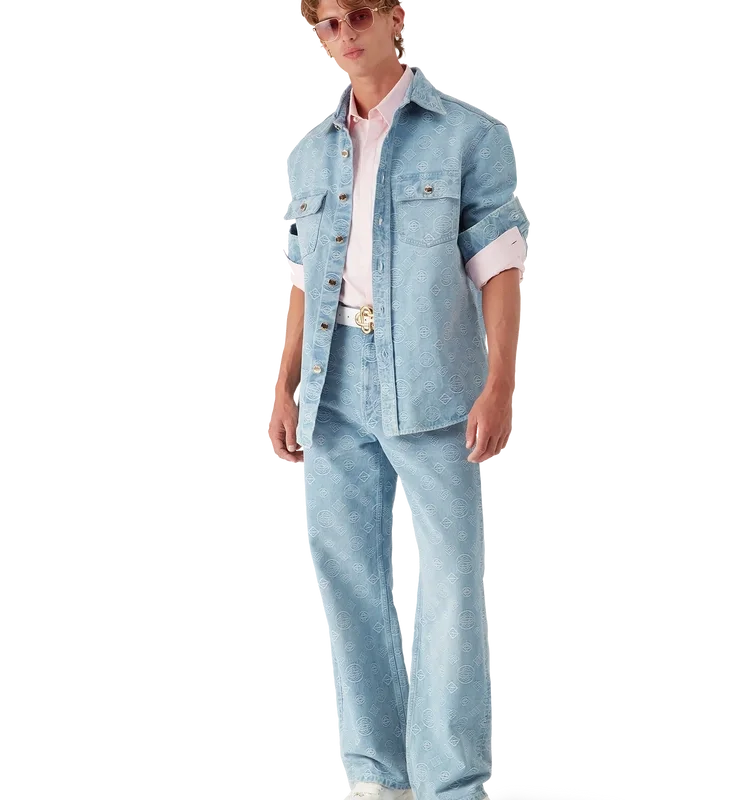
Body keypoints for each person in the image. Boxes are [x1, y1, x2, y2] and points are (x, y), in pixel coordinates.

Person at [269, 2, 529, 798]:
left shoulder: (468, 135)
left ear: (394, 18)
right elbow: (301, 276)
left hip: (434, 376)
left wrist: (500, 382)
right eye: (326, 23)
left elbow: (499, 264)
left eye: (357, 15)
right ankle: (377, 774)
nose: (343, 35)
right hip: (333, 381)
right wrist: (284, 382)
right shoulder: (308, 151)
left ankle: (453, 781)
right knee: (348, 579)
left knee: (450, 583)